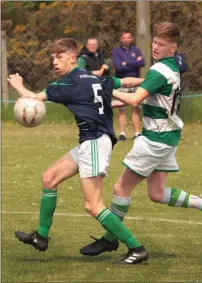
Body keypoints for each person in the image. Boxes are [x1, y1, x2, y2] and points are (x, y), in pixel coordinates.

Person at [80, 22, 202, 257]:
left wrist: (104, 88)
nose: (156, 47)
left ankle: (110, 239)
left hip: (155, 139)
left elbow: (136, 100)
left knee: (120, 188)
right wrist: (112, 101)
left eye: (162, 44)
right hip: (167, 136)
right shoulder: (170, 68)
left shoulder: (160, 70)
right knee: (156, 193)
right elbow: (148, 96)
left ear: (173, 47)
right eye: (155, 42)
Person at [7, 38, 149, 265]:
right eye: (52, 58)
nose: (54, 62)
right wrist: (151, 81)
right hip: (91, 142)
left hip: (93, 141)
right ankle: (41, 237)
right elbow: (123, 81)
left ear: (72, 57)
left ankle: (136, 247)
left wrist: (17, 84)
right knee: (49, 178)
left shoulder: (69, 83)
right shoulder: (94, 77)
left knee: (93, 205)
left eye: (59, 57)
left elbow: (33, 98)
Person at [112, 31, 145, 141]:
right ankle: (122, 133)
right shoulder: (116, 51)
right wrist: (134, 63)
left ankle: (137, 133)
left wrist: (126, 63)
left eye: (128, 37)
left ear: (131, 38)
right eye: (124, 37)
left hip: (136, 82)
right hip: (122, 82)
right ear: (121, 39)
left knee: (136, 108)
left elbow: (142, 63)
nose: (126, 39)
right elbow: (119, 67)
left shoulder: (136, 50)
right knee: (121, 108)